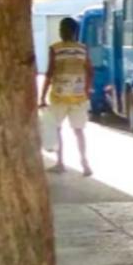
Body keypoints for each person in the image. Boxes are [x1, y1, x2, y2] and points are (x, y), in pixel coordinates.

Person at [39, 17, 94, 175]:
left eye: (61, 29)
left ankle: (60, 162)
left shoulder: (55, 49)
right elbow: (90, 71)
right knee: (79, 131)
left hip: (59, 96)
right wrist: (86, 90)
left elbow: (49, 73)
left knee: (57, 129)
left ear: (64, 31)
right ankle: (85, 164)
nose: (61, 32)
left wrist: (42, 97)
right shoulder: (82, 49)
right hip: (78, 97)